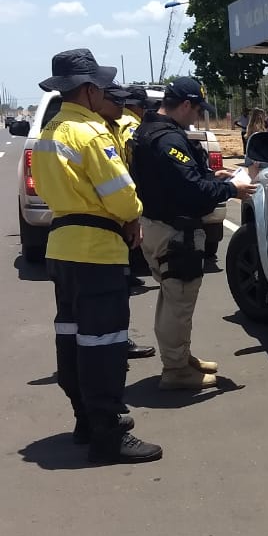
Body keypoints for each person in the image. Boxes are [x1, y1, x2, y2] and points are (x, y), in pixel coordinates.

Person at [31, 49, 161, 464]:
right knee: (105, 342)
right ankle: (108, 431)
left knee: (72, 337)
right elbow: (121, 194)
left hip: (62, 246)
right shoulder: (91, 133)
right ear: (87, 90)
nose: (105, 93)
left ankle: (85, 420)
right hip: (97, 249)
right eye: (101, 87)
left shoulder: (51, 131)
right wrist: (133, 218)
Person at [129, 77, 257, 391]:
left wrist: (213, 175)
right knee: (179, 301)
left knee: (172, 298)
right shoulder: (167, 139)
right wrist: (232, 189)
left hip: (160, 224)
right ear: (185, 105)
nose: (198, 117)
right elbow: (192, 192)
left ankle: (180, 358)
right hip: (172, 231)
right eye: (197, 110)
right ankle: (175, 370)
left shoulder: (150, 130)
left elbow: (177, 179)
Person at [102, 85, 156, 360]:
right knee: (114, 291)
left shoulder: (101, 125)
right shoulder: (129, 127)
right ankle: (117, 346)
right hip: (117, 214)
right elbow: (130, 170)